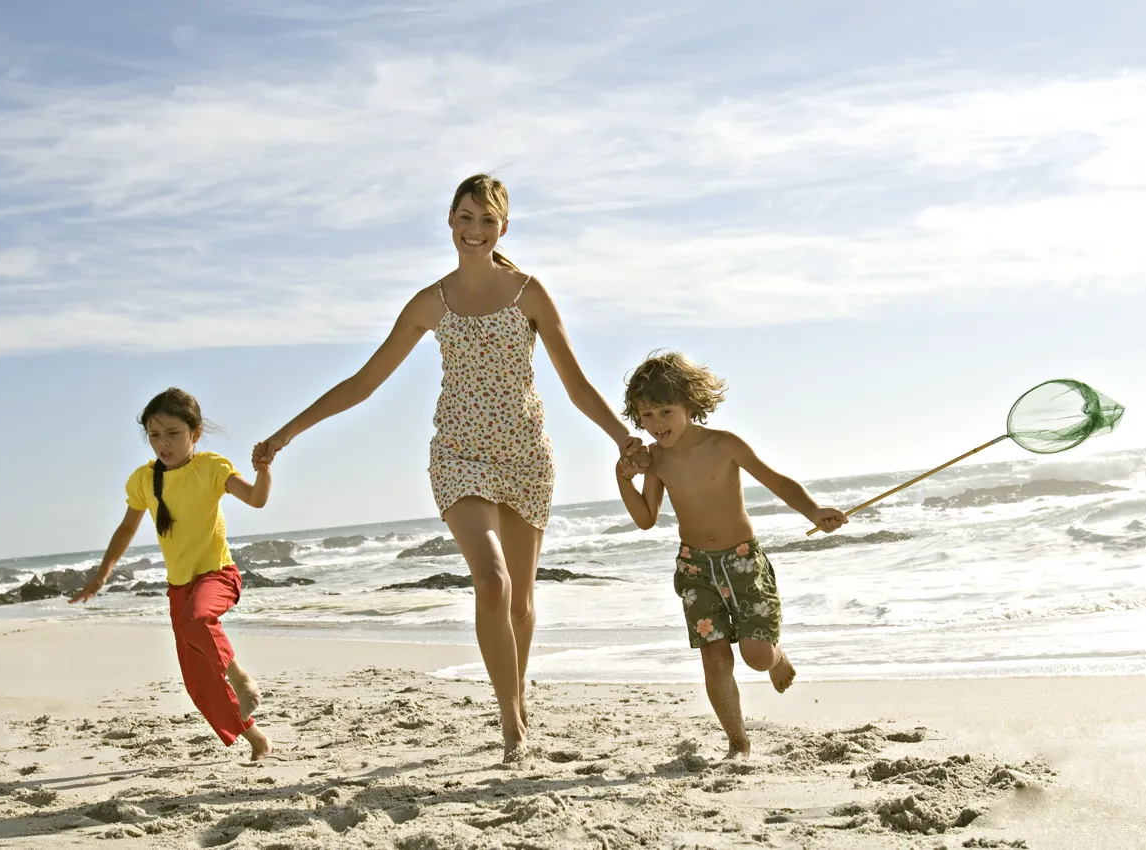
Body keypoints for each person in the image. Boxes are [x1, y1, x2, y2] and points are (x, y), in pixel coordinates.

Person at [252, 174, 645, 762]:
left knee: (521, 602)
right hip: (458, 456)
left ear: (503, 227)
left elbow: (576, 385)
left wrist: (622, 439)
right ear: (450, 220)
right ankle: (511, 721)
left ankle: (516, 696)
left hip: (526, 456)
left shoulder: (529, 293)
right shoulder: (431, 303)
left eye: (487, 220)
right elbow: (363, 383)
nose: (475, 229)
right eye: (466, 216)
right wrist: (287, 433)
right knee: (492, 580)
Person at [614, 351, 847, 759]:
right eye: (646, 415)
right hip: (695, 568)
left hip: (742, 561)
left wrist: (813, 510)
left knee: (756, 657)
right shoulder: (657, 461)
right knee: (715, 659)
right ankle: (737, 741)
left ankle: (775, 657)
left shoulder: (725, 445)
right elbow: (647, 519)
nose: (656, 424)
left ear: (689, 403)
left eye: (665, 411)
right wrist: (623, 480)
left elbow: (776, 481)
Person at [71, 387, 273, 762]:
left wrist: (263, 470)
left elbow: (257, 499)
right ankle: (257, 739)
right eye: (154, 435)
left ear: (195, 433)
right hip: (178, 587)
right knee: (198, 680)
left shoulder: (212, 467)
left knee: (198, 619)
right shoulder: (144, 480)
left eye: (173, 434)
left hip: (217, 576)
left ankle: (242, 678)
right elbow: (127, 528)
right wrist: (103, 573)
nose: (162, 444)